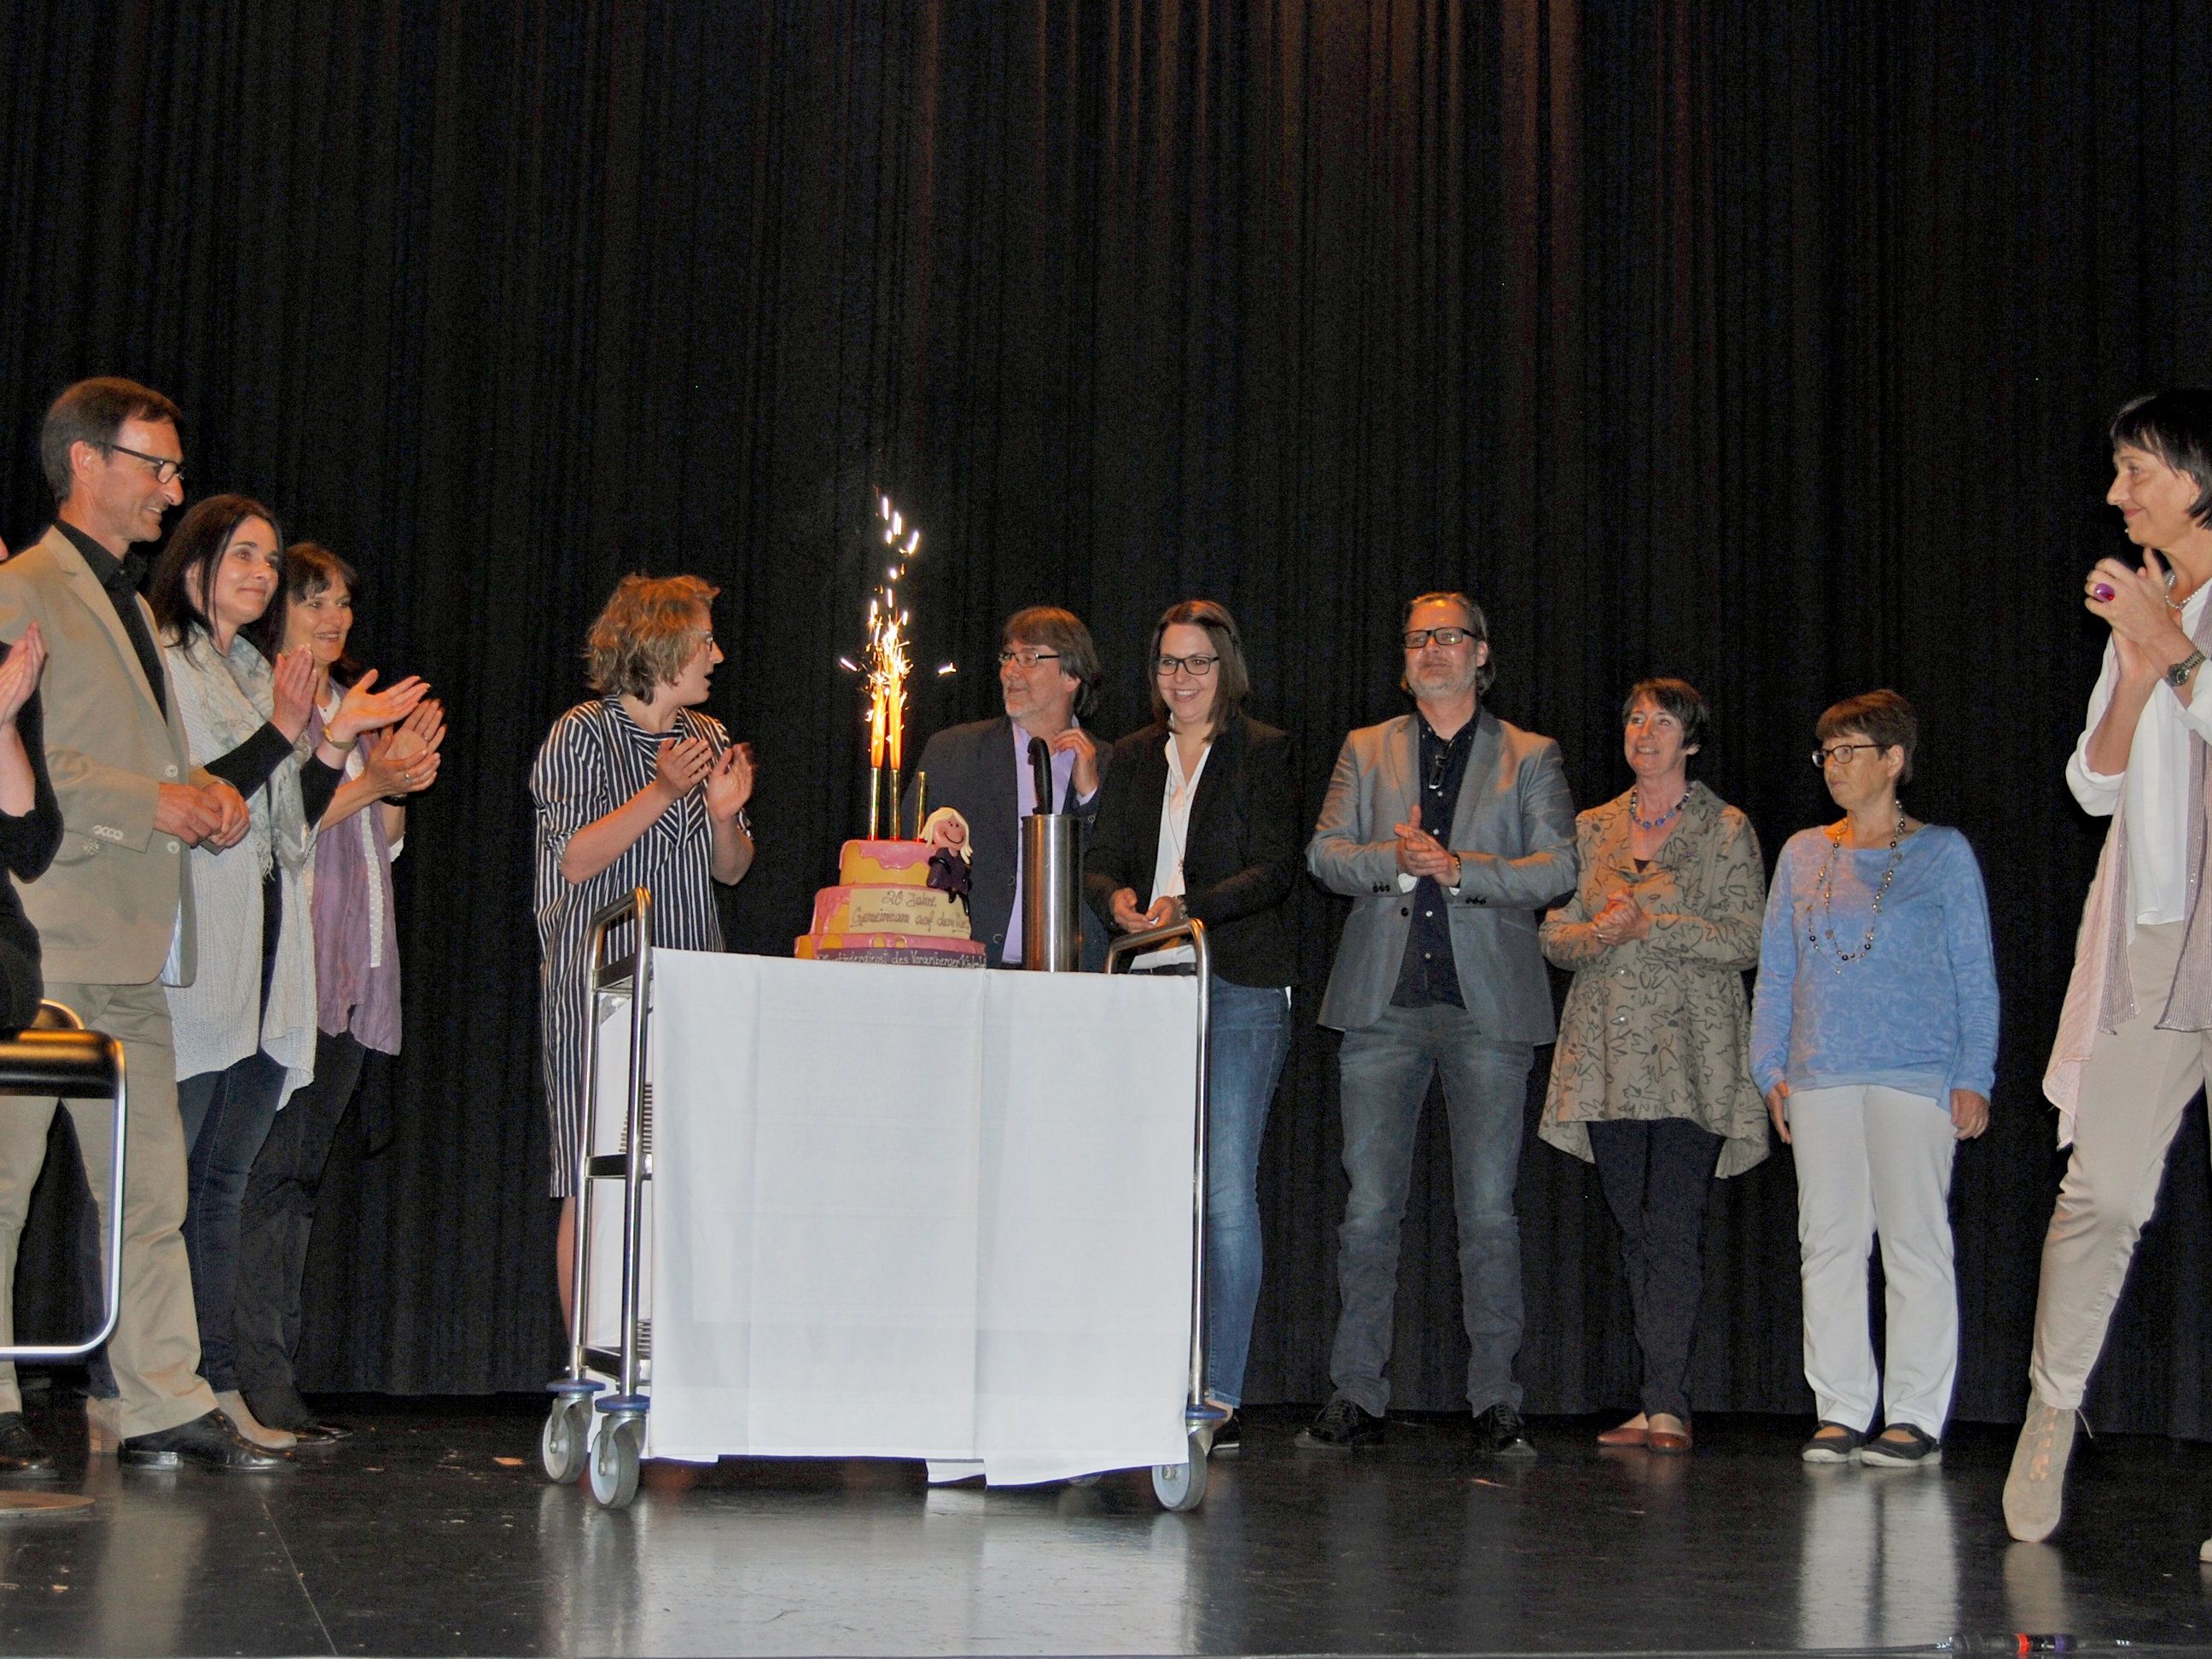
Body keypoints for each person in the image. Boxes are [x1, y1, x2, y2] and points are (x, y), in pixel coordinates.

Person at [0, 377, 278, 1471]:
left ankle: (163, 1398)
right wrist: (151, 800)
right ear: (85, 463)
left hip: (130, 946)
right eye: (155, 467)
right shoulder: (25, 587)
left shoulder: (116, 599)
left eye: (173, 468)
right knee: (6, 1179)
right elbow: (25, 756)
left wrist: (197, 794)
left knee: (151, 1186)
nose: (172, 488)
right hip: (46, 934)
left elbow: (126, 757)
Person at [148, 495, 425, 1451]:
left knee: (244, 1185)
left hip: (296, 968)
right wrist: (338, 742)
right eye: (255, 563)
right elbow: (228, 799)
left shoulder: (276, 687)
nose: (269, 581)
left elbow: (323, 826)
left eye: (277, 564)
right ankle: (163, 1387)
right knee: (176, 1183)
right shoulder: (196, 670)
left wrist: (363, 757)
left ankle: (230, 1383)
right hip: (214, 957)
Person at [1299, 591, 1576, 1456]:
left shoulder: (1530, 755)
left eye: (1448, 637)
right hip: (1382, 1010)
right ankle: (1356, 1391)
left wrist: (1460, 871)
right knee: (1370, 1209)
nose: (1431, 651)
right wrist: (1396, 860)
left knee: (1488, 1211)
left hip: (1487, 1014)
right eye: (1418, 638)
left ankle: (1496, 1397)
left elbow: (1560, 865)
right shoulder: (1365, 748)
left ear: (1481, 654)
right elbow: (1324, 855)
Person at [2012, 390, 2212, 1548]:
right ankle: (2052, 1412)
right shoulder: (2144, 608)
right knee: (2108, 1193)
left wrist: (2176, 647)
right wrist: (2136, 662)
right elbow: (2094, 785)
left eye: (2135, 470)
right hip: (2153, 936)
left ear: (2196, 475)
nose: (2116, 493)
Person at [1751, 690, 1997, 1468]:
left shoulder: (1943, 854)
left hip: (1914, 1072)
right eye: (1826, 753)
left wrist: (1975, 1076)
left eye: (1850, 751)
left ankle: (1916, 1414)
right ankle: (1842, 1406)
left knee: (1915, 1243)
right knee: (1827, 1242)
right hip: (1820, 1074)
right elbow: (1776, 973)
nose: (1834, 767)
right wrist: (1770, 1069)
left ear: (1894, 761)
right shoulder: (1801, 853)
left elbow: (1975, 976)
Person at [234, 543, 442, 1442]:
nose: (336, 618)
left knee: (299, 1180)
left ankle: (275, 1373)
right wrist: (369, 778)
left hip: (353, 969)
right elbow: (281, 825)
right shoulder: (258, 699)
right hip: (285, 970)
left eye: (344, 604)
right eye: (315, 600)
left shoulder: (341, 708)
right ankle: (247, 1379)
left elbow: (381, 846)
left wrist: (393, 782)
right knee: (262, 1174)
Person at [1085, 601, 1300, 1456]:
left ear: (1227, 668)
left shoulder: (1264, 749)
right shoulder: (1134, 757)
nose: (1182, 679)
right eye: (1170, 663)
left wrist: (1190, 908)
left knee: (1225, 1191)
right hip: (1149, 983)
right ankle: (1142, 1373)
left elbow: (1278, 870)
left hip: (1239, 984)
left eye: (1198, 663)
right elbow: (1104, 859)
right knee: (1146, 1189)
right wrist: (1116, 902)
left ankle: (1220, 1391)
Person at [1538, 678, 1767, 1454]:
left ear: (1690, 740)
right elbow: (1554, 937)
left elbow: (1747, 939)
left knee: (1672, 1226)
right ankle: (1656, 1395)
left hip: (1691, 1059)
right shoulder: (1593, 826)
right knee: (1635, 1230)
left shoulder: (1725, 827)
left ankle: (1668, 1402)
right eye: (1634, 718)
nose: (1645, 732)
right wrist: (1597, 936)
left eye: (1662, 722)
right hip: (1604, 1058)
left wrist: (1651, 924)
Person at [532, 574, 754, 1311]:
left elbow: (731, 871)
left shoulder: (708, 737)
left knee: (683, 1176)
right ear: (661, 649)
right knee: (596, 1176)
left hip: (691, 984)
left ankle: (666, 1369)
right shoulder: (580, 733)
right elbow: (574, 858)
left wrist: (724, 817)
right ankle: (591, 1383)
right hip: (602, 988)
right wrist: (659, 792)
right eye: (703, 642)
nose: (717, 656)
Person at [903, 607, 1111, 968]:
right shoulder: (953, 752)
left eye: (1029, 658)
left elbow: (1115, 877)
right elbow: (906, 858)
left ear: (1072, 675)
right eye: (1007, 657)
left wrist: (1091, 796)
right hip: (964, 976)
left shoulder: (1113, 765)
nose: (1010, 671)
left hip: (1073, 985)